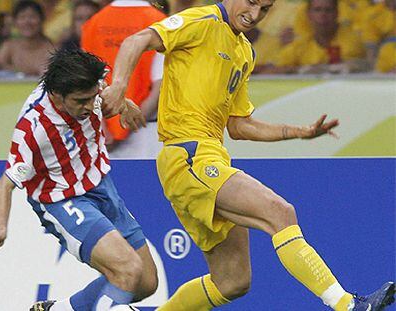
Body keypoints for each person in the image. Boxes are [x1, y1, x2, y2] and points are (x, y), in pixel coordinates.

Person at [101, 0, 396, 310]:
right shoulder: (201, 20)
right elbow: (138, 40)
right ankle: (348, 305)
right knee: (280, 213)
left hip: (208, 159)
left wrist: (299, 131)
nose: (254, 15)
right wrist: (119, 86)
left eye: (265, 9)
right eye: (252, 2)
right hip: (188, 157)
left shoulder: (244, 51)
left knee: (232, 281)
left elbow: (240, 125)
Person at [0, 48, 156, 311]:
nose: (89, 105)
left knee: (145, 282)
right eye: (80, 101)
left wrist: (125, 103)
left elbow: (105, 94)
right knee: (128, 269)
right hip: (63, 200)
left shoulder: (87, 83)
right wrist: (1, 228)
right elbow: (3, 186)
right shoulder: (34, 129)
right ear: (57, 96)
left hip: (101, 185)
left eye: (92, 97)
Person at [81, 0, 166, 157]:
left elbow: (85, 82)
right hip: (145, 131)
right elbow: (160, 87)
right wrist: (127, 124)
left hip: (103, 135)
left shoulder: (94, 23)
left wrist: (104, 127)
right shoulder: (160, 22)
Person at [275, 0, 367, 74]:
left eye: (328, 10)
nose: (323, 14)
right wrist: (302, 70)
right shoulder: (301, 44)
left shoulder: (352, 41)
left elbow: (352, 68)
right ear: (309, 15)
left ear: (337, 14)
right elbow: (277, 70)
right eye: (317, 10)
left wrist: (305, 70)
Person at [0, 0, 54, 76]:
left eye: (32, 17)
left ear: (42, 20)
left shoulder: (51, 49)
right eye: (22, 17)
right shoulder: (9, 46)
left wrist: (6, 67)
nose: (27, 22)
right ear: (15, 22)